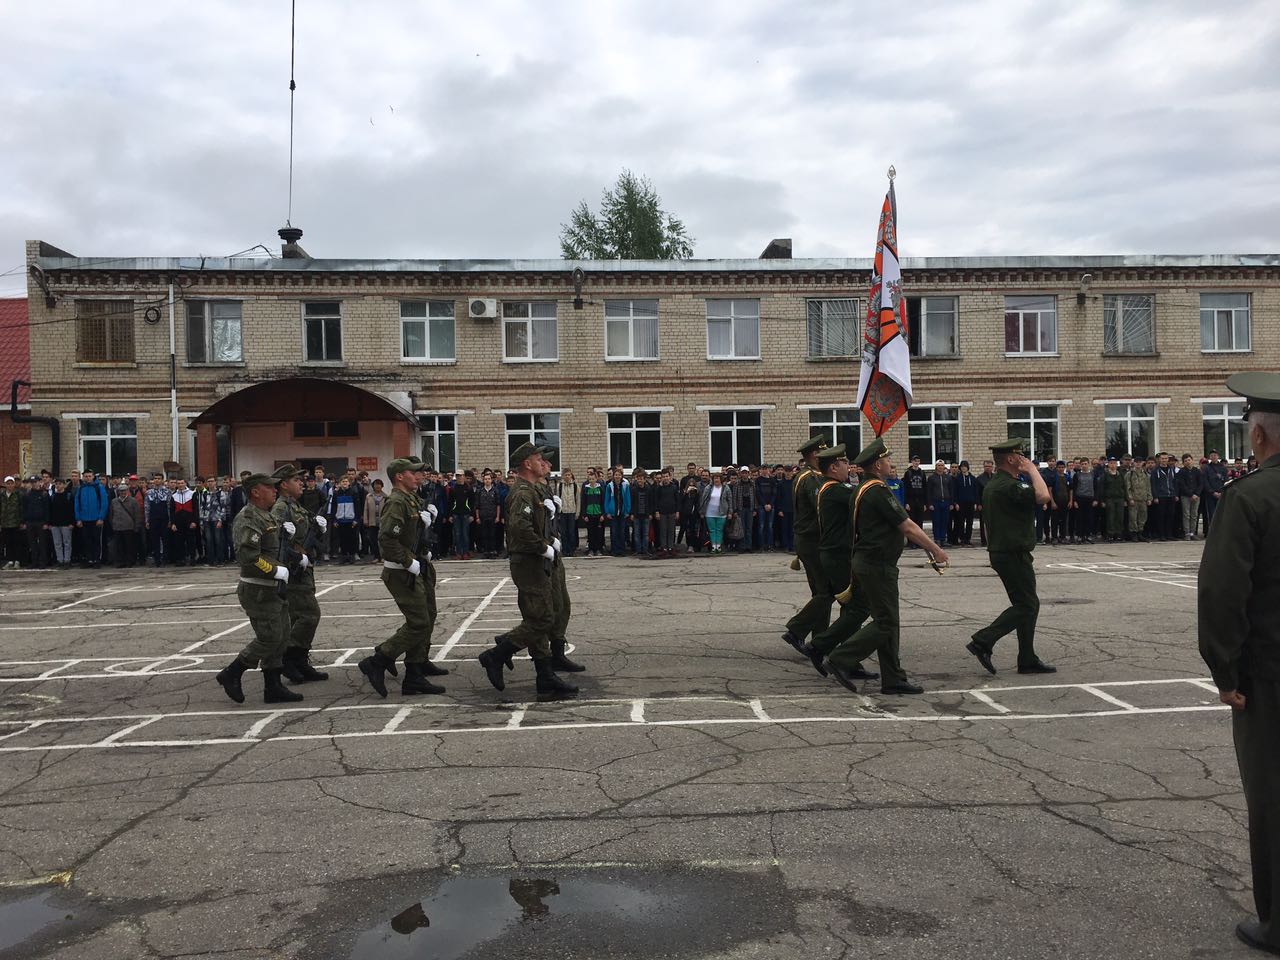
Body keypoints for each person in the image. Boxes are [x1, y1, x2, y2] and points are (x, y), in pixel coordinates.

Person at [1197, 372, 1280, 956]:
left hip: (1272, 676)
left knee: (1274, 797)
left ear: (1258, 437)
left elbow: (1224, 595)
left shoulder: (1250, 496)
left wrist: (1226, 673)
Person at [811, 438, 944, 694]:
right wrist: (935, 549)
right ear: (878, 464)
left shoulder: (863, 488)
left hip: (869, 562)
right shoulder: (876, 490)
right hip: (877, 565)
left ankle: (893, 678)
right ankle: (840, 658)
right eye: (887, 460)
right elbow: (907, 526)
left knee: (887, 621)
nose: (891, 464)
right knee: (886, 622)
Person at [477, 443, 577, 701]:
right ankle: (496, 654)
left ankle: (545, 677)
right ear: (526, 464)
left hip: (535, 559)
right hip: (529, 561)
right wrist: (543, 546)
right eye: (538, 458)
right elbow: (520, 527)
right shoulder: (521, 492)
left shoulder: (532, 489)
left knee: (546, 614)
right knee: (541, 618)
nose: (545, 462)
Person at [965, 439, 1056, 676]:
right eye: (1020, 455)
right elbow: (1044, 496)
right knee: (1027, 604)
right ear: (1011, 460)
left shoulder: (996, 484)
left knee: (1026, 604)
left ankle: (1027, 658)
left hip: (1005, 551)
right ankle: (983, 641)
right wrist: (1034, 470)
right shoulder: (1010, 485)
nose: (1024, 459)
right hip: (1012, 553)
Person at [357, 458, 445, 698]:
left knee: (426, 617)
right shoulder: (396, 502)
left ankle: (415, 672)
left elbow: (410, 534)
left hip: (415, 566)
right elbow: (386, 541)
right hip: (401, 571)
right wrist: (409, 562)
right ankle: (379, 659)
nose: (419, 476)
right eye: (413, 473)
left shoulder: (410, 499)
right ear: (399, 477)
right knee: (419, 622)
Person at [214, 473, 299, 705]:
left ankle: (273, 687)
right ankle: (232, 673)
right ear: (255, 492)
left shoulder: (266, 516)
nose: (274, 491)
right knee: (270, 637)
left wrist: (289, 544)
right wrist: (273, 570)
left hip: (273, 588)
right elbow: (248, 556)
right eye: (269, 488)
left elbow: (271, 547)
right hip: (259, 589)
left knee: (281, 637)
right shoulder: (249, 517)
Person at [797, 444, 879, 685]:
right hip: (836, 555)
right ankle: (820, 646)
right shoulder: (832, 489)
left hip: (837, 553)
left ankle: (848, 659)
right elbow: (863, 499)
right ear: (833, 466)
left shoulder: (830, 486)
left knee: (851, 606)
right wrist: (872, 480)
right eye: (844, 462)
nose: (848, 466)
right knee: (857, 607)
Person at [271, 465, 330, 685]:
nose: (301, 483)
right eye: (296, 480)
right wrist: (297, 558)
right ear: (284, 485)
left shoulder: (295, 506)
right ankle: (288, 658)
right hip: (293, 571)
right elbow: (275, 543)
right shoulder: (280, 509)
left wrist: (319, 528)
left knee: (298, 617)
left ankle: (299, 661)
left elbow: (305, 533)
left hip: (303, 570)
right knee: (308, 615)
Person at [781, 436, 833, 654]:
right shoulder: (810, 478)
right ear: (814, 455)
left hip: (811, 539)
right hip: (812, 540)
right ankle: (797, 630)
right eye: (823, 452)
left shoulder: (811, 475)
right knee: (826, 592)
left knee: (821, 592)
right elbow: (822, 506)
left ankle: (820, 641)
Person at [74, 470, 109, 567]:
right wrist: (78, 519)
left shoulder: (99, 488)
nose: (88, 478)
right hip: (84, 520)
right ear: (83, 477)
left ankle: (97, 560)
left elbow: (104, 504)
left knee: (97, 541)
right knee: (86, 541)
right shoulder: (81, 488)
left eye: (89, 476)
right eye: (86, 476)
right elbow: (77, 504)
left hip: (96, 519)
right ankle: (89, 560)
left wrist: (101, 517)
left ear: (93, 476)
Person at [108, 483, 140, 567]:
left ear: (127, 491)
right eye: (121, 491)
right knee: (119, 546)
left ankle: (130, 561)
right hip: (117, 527)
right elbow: (111, 514)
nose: (123, 492)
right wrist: (113, 524)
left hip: (129, 527)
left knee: (129, 546)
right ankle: (120, 562)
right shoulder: (114, 501)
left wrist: (136, 526)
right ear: (118, 492)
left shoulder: (133, 501)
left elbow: (137, 514)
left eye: (125, 490)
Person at [699, 472, 731, 553]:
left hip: (722, 512)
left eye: (718, 478)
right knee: (712, 530)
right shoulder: (708, 488)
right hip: (709, 513)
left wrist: (730, 512)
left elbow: (730, 500)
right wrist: (702, 511)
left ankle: (719, 546)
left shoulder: (726, 488)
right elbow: (703, 500)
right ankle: (713, 546)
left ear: (721, 479)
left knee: (719, 529)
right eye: (714, 478)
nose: (716, 480)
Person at [1177, 454, 1204, 540]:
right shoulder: (1181, 472)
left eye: (1189, 460)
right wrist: (1190, 494)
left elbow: (1201, 484)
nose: (1188, 462)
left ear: (1192, 460)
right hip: (1185, 496)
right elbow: (1182, 485)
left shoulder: (1197, 471)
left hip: (1196, 496)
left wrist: (1196, 494)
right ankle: (1187, 533)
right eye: (1185, 461)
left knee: (1194, 515)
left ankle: (1193, 533)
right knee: (1186, 515)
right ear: (1183, 463)